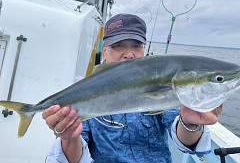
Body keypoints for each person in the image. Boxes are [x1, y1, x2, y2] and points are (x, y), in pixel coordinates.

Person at [43, 13, 223, 163]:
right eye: (118, 46)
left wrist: (190, 123)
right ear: (104, 51)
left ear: (143, 50)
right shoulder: (87, 92)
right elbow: (74, 157)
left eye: (136, 46)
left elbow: (183, 139)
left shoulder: (158, 82)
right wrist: (70, 136)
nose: (129, 54)